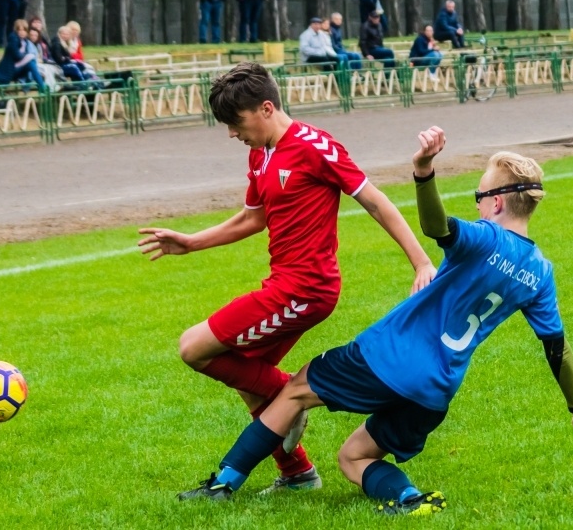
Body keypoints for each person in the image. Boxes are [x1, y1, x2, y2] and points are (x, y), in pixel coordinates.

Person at [175, 126, 573, 516]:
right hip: (436, 391)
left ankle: (223, 483)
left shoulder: (484, 238)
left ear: (496, 202)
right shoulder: (540, 272)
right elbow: (558, 348)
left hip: (386, 358)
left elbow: (436, 226)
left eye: (479, 197)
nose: (477, 205)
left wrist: (423, 173)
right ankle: (408, 499)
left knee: (295, 390)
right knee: (354, 458)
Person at [138, 62, 437, 495]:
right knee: (245, 374)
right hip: (282, 285)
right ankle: (297, 473)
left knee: (194, 347)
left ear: (264, 108)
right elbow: (252, 218)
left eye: (234, 123)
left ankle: (292, 397)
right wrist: (191, 242)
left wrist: (421, 263)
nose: (231, 133)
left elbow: (375, 202)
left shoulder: (316, 147)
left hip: (306, 289)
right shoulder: (259, 153)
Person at [0, 19, 45, 91]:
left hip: (17, 69)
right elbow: (17, 56)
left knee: (31, 63)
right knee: (31, 60)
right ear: (16, 31)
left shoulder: (24, 41)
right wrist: (27, 56)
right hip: (9, 70)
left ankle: (40, 86)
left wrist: (27, 56)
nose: (22, 33)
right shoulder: (13, 39)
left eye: (24, 30)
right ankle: (41, 87)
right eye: (20, 30)